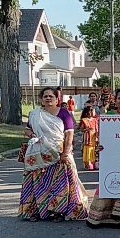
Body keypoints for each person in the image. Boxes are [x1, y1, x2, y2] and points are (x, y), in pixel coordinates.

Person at [19, 87, 88, 222]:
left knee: (61, 184)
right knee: (38, 184)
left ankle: (58, 211)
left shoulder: (64, 114)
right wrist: (32, 135)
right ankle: (36, 211)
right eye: (45, 96)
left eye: (51, 96)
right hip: (39, 155)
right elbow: (27, 130)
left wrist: (65, 153)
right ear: (41, 99)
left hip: (59, 154)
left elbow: (69, 134)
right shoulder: (34, 114)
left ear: (57, 99)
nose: (48, 98)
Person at [86, 88, 120, 228]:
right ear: (114, 100)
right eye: (119, 98)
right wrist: (100, 147)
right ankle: (104, 216)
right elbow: (103, 138)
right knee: (110, 182)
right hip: (113, 158)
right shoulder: (108, 117)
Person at [80, 106, 98, 171]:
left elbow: (96, 129)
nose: (94, 112)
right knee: (87, 150)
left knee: (93, 150)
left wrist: (97, 136)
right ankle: (88, 164)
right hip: (87, 138)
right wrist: (87, 129)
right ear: (89, 112)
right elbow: (81, 129)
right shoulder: (84, 120)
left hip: (94, 138)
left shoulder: (95, 120)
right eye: (92, 111)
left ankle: (94, 163)